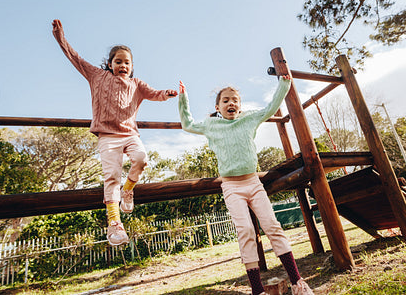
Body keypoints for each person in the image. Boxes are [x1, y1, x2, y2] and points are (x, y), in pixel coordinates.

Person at [178, 74, 314, 295]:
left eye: (235, 100)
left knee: (272, 226)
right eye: (226, 100)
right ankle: (257, 290)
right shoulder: (212, 125)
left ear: (240, 106)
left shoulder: (249, 118)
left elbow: (271, 108)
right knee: (246, 231)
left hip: (253, 183)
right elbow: (188, 124)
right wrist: (183, 99)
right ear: (218, 106)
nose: (231, 103)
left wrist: (284, 84)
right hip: (231, 187)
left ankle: (298, 282)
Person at [51, 19, 177, 246]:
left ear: (132, 66)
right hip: (107, 137)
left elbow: (154, 93)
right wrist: (60, 37)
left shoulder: (136, 84)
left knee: (141, 159)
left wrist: (166, 93)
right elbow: (75, 59)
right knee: (111, 176)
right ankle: (114, 224)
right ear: (109, 64)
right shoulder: (97, 76)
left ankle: (128, 191)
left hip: (130, 134)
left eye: (127, 62)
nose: (123, 65)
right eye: (118, 61)